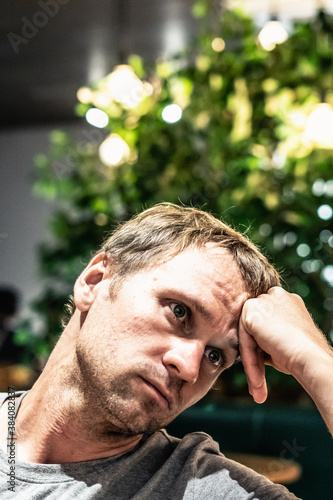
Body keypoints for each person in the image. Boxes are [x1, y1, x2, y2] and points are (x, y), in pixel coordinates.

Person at [0, 203, 332, 499]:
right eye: (179, 311)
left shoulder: (205, 490)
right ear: (95, 281)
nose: (189, 368)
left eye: (214, 356)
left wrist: (315, 359)